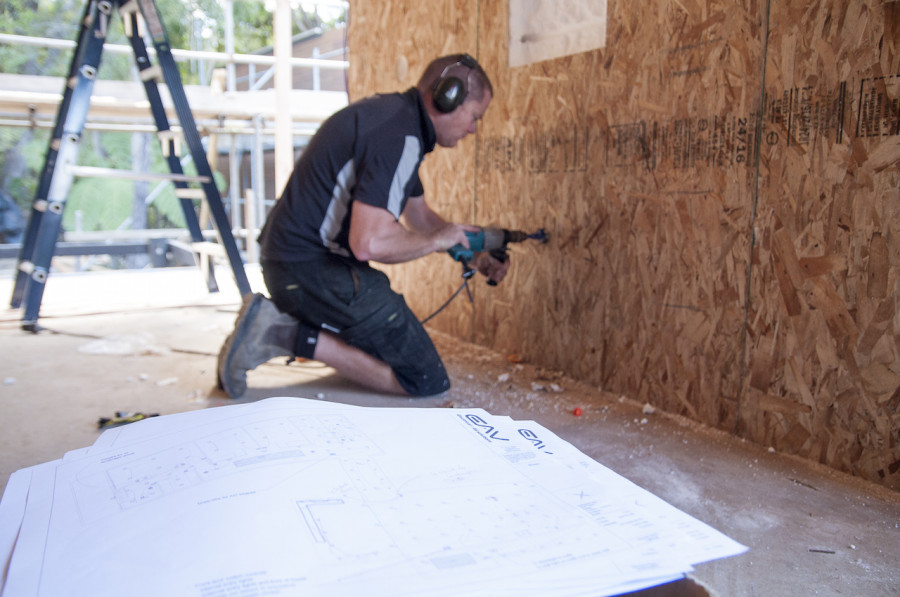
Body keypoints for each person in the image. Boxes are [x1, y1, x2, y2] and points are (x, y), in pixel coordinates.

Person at [217, 53, 509, 399]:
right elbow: (368, 243)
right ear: (447, 98)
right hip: (307, 269)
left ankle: (288, 326)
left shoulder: (395, 120)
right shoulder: (399, 137)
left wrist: (471, 253)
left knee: (381, 350)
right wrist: (437, 240)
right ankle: (276, 332)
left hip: (292, 262)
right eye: (474, 116)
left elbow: (420, 217)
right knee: (424, 379)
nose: (474, 128)